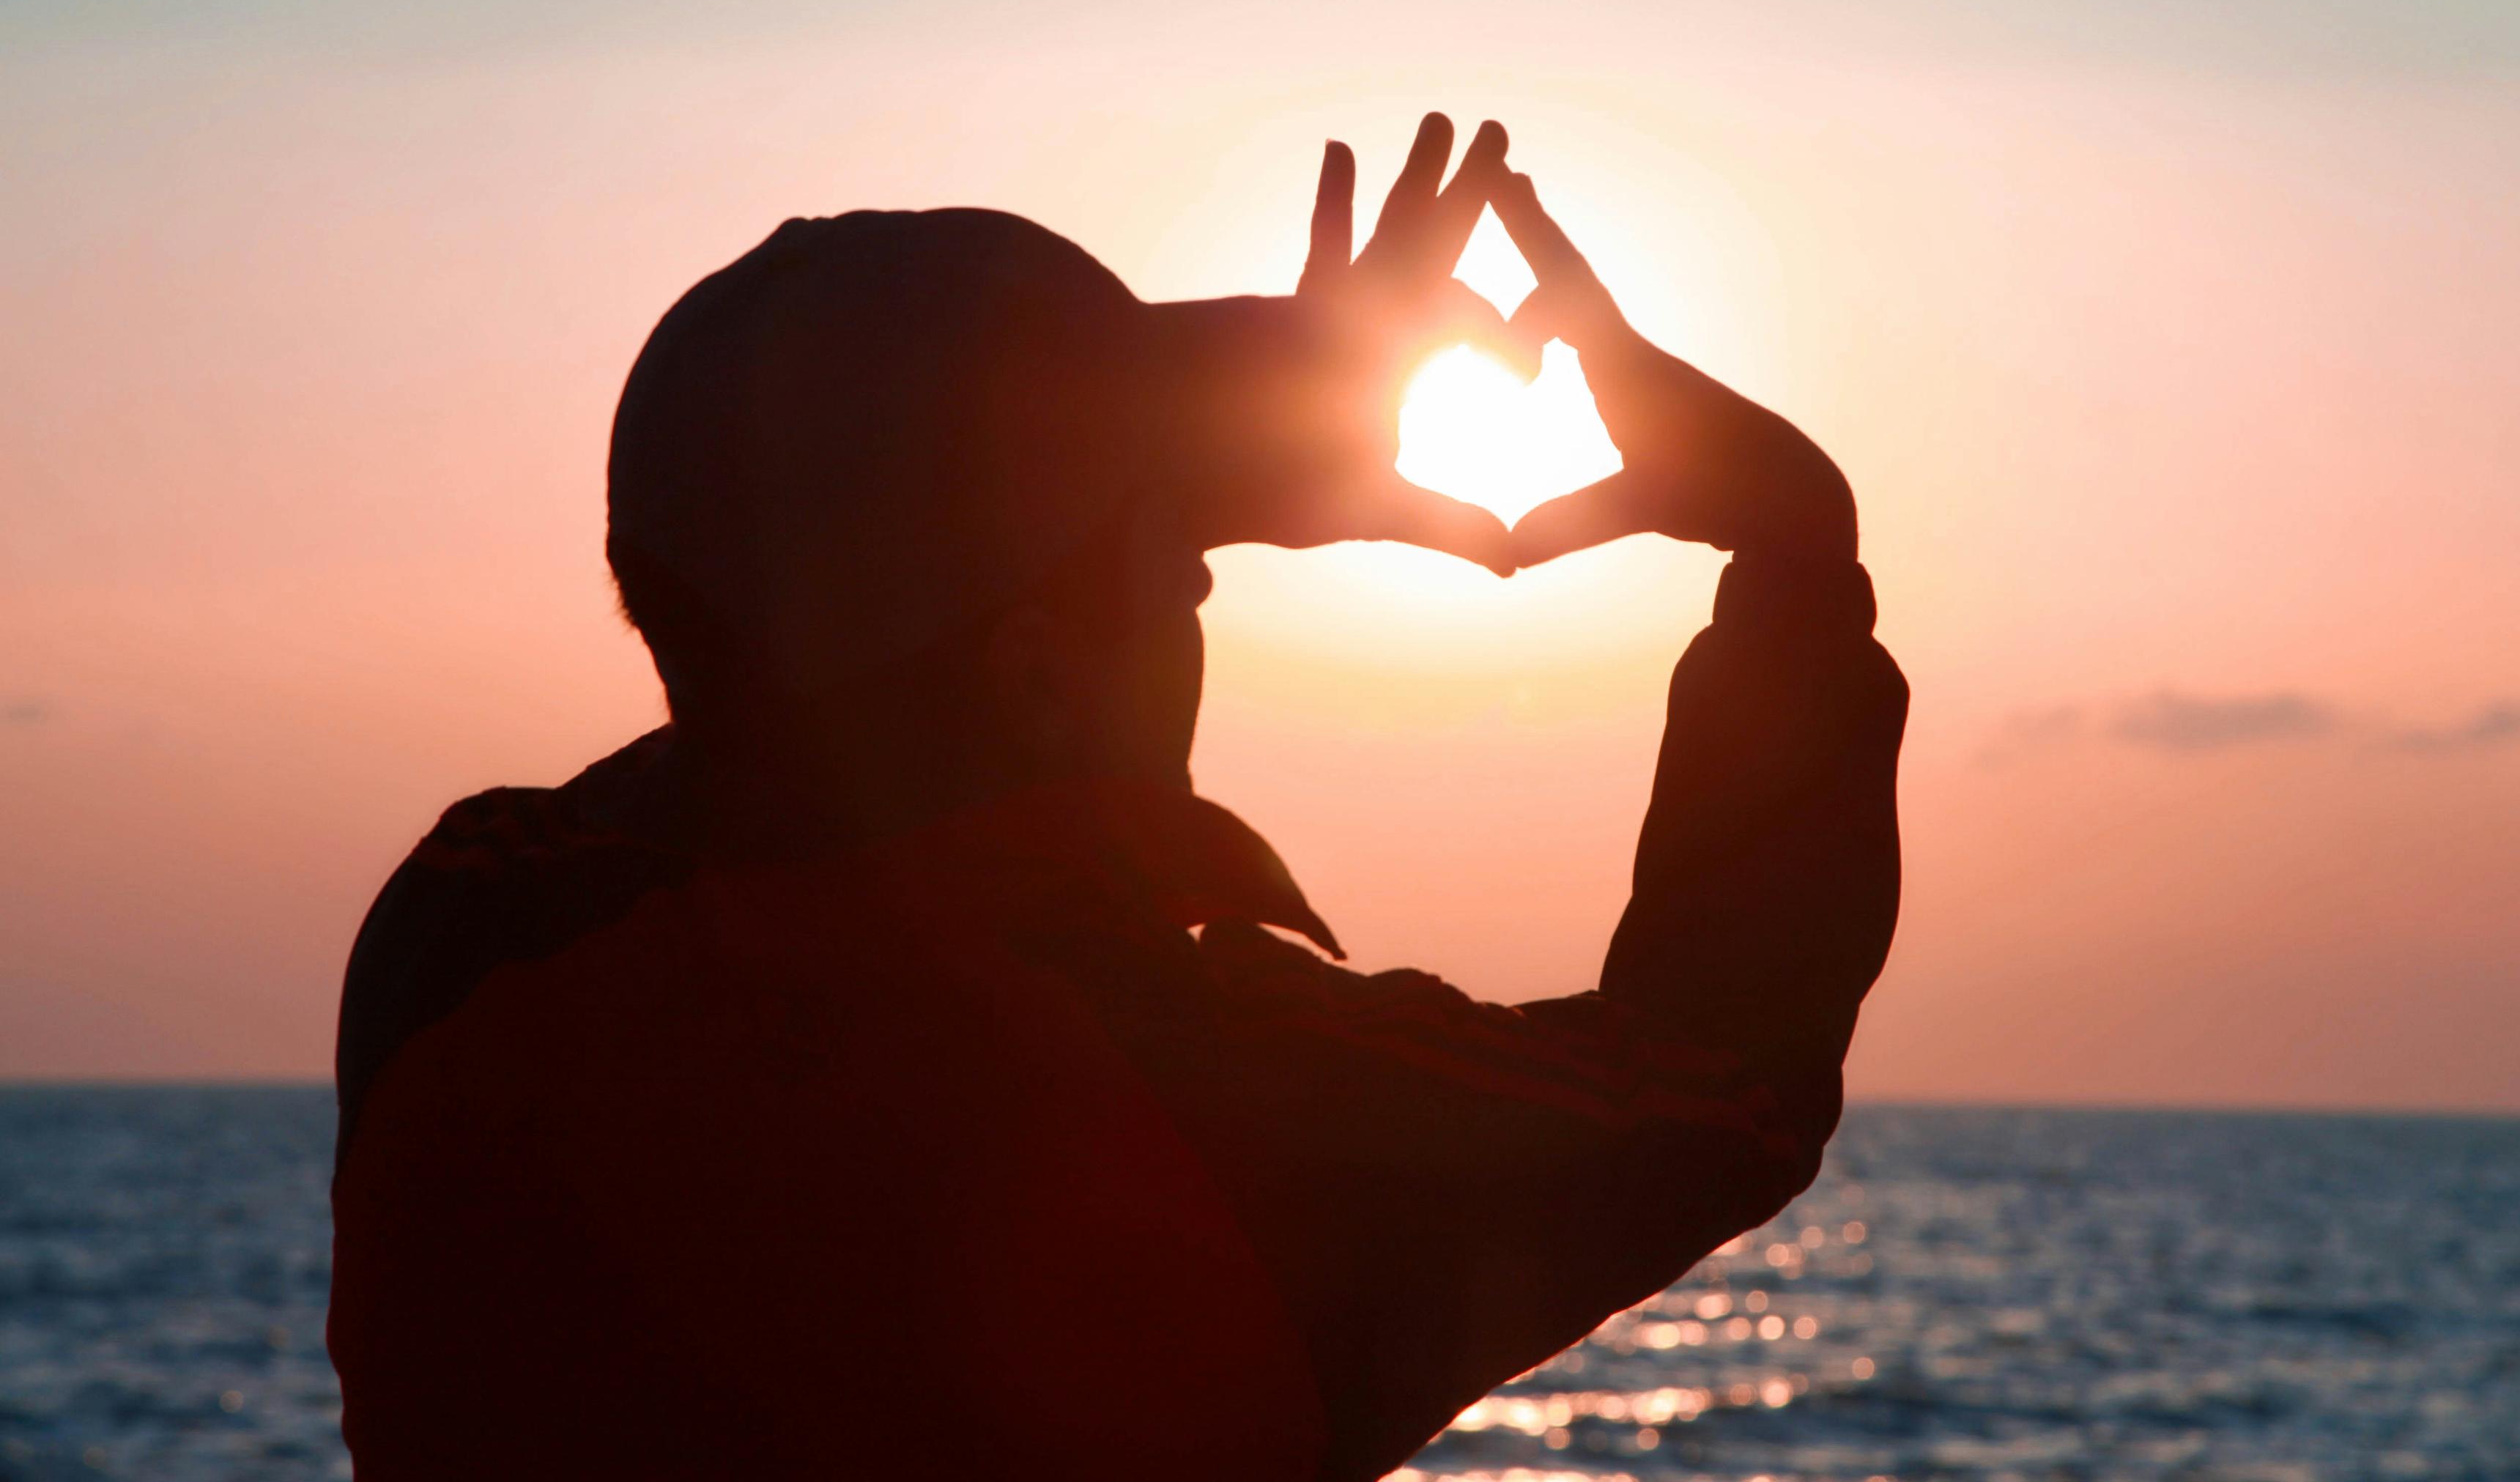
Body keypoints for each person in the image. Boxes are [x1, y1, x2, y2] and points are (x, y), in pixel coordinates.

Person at [327, 114, 1907, 1481]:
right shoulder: (1199, 1096)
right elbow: (1715, 1084)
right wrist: (1795, 551)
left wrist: (1158, 476)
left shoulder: (464, 939)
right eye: (1186, 574)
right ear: (1033, 675)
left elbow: (788, 688)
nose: (1198, 597)